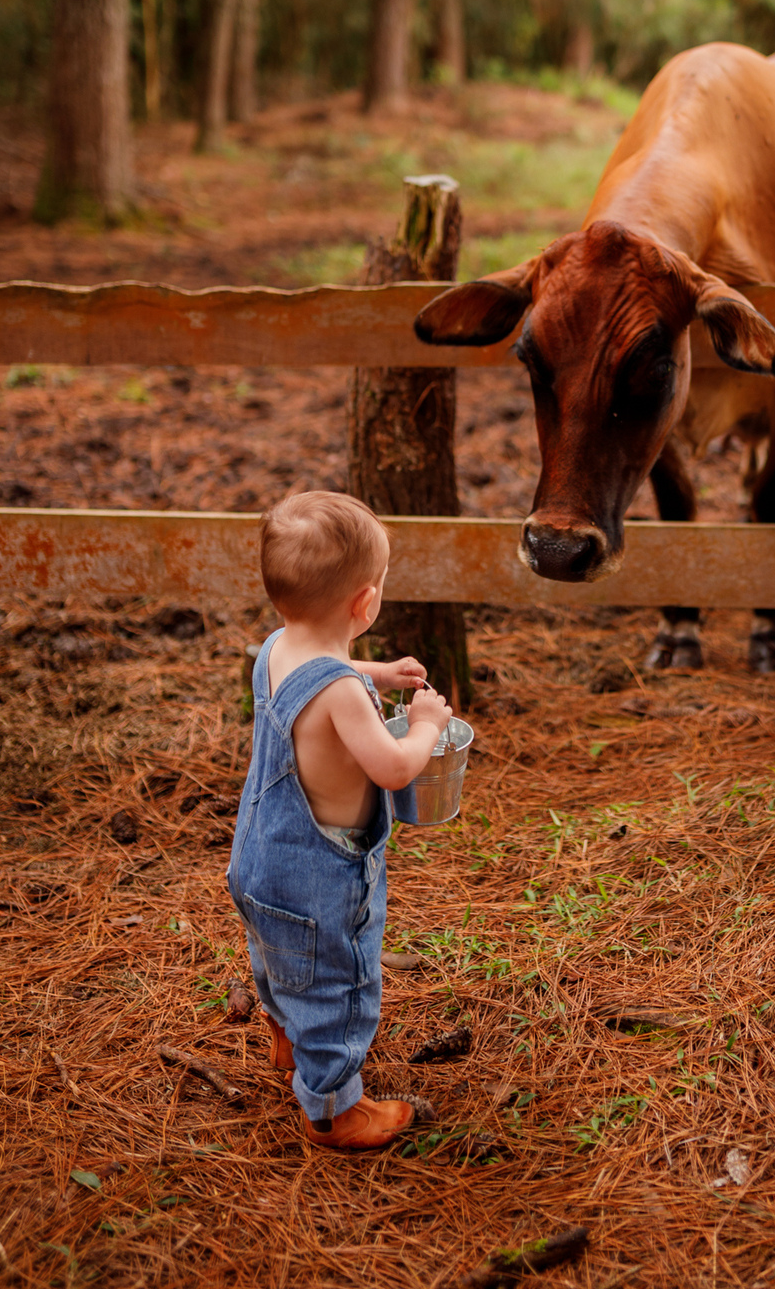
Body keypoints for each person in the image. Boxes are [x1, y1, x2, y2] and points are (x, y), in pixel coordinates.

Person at [228, 490, 453, 1151]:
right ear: (365, 603)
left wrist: (378, 673)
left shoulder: (276, 647)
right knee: (337, 982)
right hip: (319, 884)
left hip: (259, 860)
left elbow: (325, 670)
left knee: (276, 956)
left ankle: (283, 1035)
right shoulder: (343, 697)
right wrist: (427, 725)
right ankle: (333, 1110)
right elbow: (392, 769)